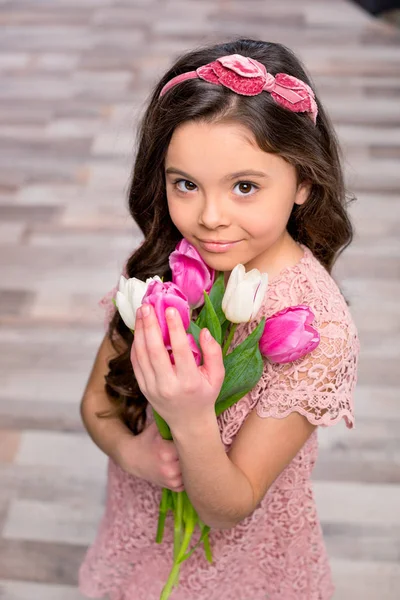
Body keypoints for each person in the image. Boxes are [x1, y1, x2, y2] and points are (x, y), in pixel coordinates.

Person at [78, 38, 360, 600]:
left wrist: (189, 417)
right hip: (138, 543)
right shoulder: (163, 273)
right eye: (185, 184)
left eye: (245, 187)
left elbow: (230, 509)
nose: (209, 219)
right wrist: (132, 452)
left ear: (304, 182)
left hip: (243, 571)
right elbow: (96, 406)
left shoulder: (317, 329)